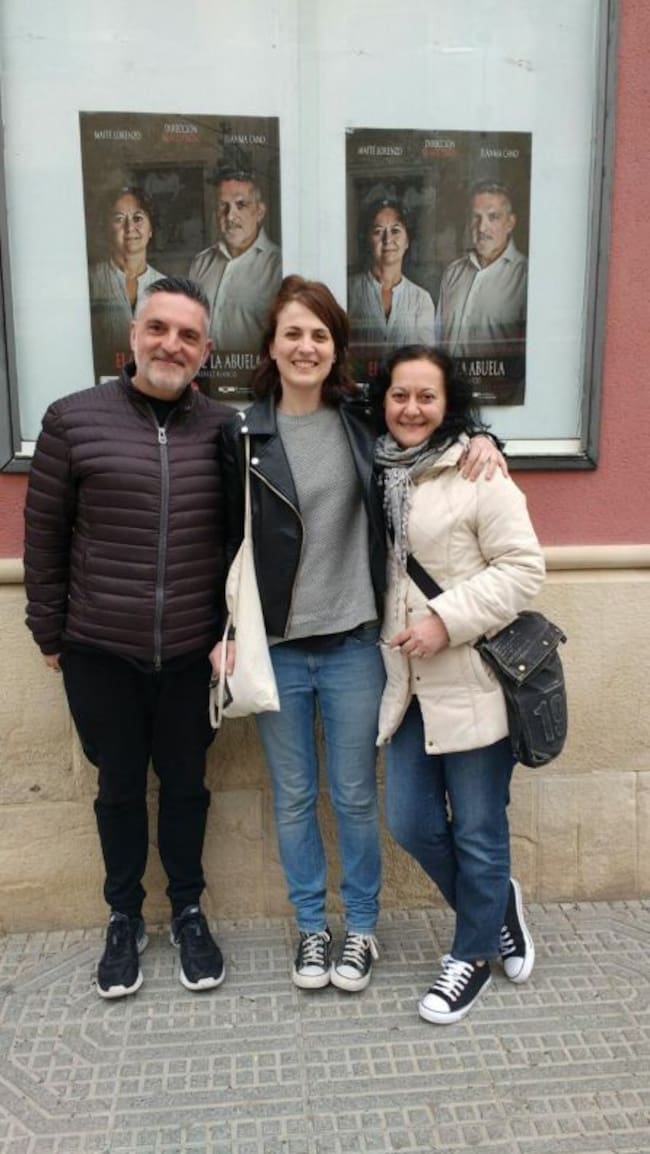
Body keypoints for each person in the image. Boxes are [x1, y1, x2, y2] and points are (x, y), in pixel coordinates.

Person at [217, 276, 504, 995]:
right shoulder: (240, 433)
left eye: (319, 334)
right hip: (275, 648)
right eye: (293, 333)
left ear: (335, 347)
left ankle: (363, 931)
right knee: (291, 796)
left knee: (353, 797)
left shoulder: (360, 424)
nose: (306, 346)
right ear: (272, 346)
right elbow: (217, 540)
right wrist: (215, 635)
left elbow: (430, 429)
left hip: (353, 644)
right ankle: (313, 929)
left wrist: (484, 439)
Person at [24, 277, 231, 1000]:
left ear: (206, 351)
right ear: (133, 334)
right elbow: (43, 537)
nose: (171, 344)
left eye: (188, 335)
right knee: (117, 788)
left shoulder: (225, 430)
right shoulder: (73, 420)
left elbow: (243, 546)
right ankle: (123, 917)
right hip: (100, 650)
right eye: (159, 328)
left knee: (185, 785)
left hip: (191, 654)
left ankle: (187, 909)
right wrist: (48, 631)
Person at [375, 344, 543, 1024]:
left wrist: (446, 619)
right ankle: (497, 904)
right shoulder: (374, 469)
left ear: (449, 406)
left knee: (476, 827)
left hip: (473, 680)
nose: (411, 408)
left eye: (426, 397)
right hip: (407, 685)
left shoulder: (480, 473)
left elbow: (524, 571)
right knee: (411, 821)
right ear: (381, 401)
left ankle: (471, 954)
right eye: (399, 395)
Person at [189, 168, 282, 353]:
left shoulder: (279, 267)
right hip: (204, 379)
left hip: (255, 380)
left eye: (241, 205)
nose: (230, 216)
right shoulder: (200, 264)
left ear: (260, 211)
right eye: (223, 206)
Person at [435, 181, 527, 364]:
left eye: (492, 217)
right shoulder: (453, 273)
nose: (482, 227)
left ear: (510, 223)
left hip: (499, 391)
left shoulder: (526, 277)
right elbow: (436, 340)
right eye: (476, 218)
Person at [89, 187, 165, 380]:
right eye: (119, 219)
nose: (130, 228)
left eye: (138, 218)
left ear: (151, 229)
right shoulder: (90, 281)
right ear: (107, 229)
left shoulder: (167, 287)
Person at [348, 198, 435, 363]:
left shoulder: (421, 299)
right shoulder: (349, 291)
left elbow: (426, 361)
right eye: (378, 231)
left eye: (395, 230)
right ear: (368, 239)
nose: (387, 239)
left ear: (407, 240)